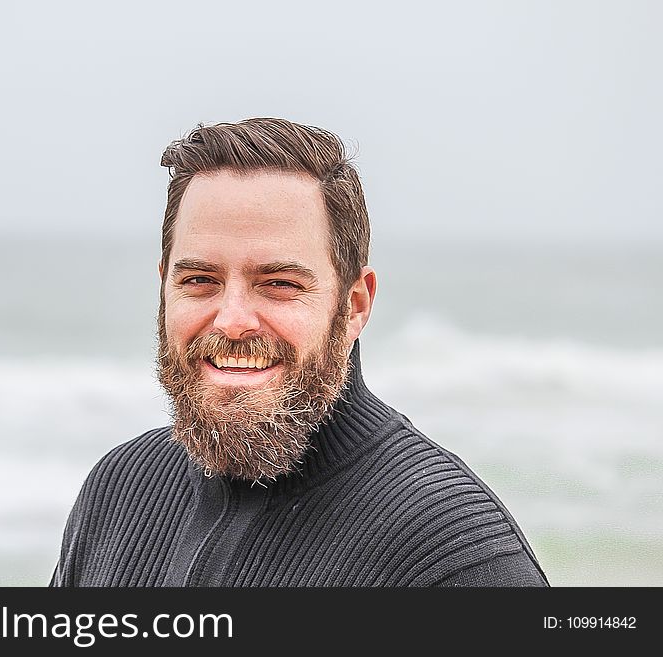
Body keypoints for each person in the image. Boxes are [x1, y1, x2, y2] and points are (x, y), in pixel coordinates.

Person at [50, 117, 549, 587]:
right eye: (200, 280)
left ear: (354, 305)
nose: (233, 320)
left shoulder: (452, 555)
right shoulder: (117, 492)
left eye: (280, 283)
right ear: (165, 289)